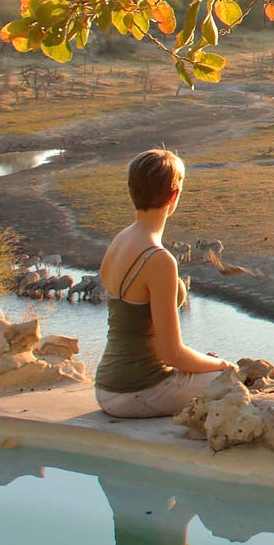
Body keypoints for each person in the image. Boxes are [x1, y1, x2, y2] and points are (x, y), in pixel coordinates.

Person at [94, 149, 235, 418]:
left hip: (106, 387)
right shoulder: (158, 259)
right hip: (138, 392)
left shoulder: (120, 240)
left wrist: (202, 363)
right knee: (233, 381)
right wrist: (221, 364)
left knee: (208, 368)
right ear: (174, 195)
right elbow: (172, 354)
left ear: (130, 192)